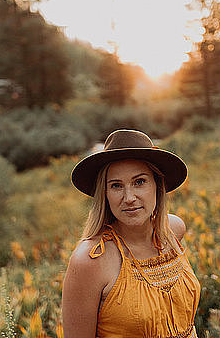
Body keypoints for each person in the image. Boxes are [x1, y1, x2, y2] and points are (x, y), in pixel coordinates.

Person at [62, 129, 201, 338]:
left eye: (139, 182)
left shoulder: (173, 231)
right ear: (105, 194)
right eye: (116, 185)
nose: (129, 197)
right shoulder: (91, 259)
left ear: (157, 185)